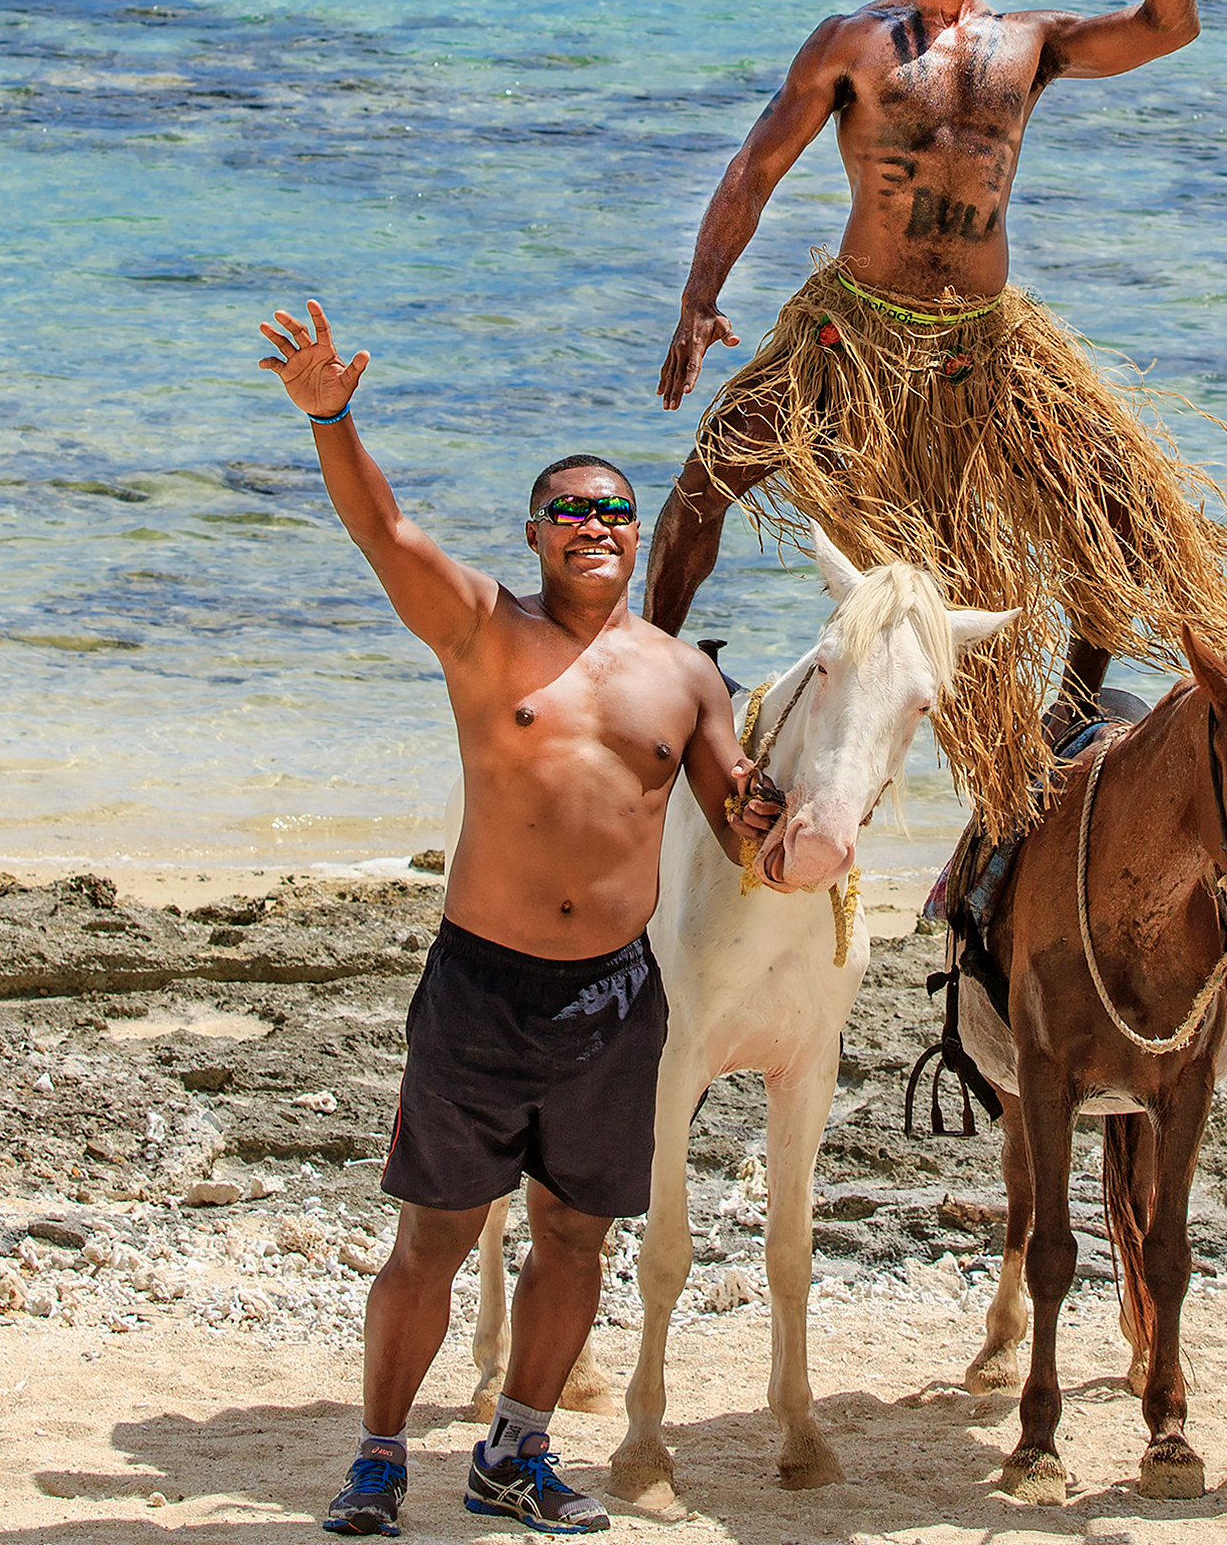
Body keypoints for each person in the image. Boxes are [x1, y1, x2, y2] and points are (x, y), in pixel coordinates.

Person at [644, 0, 1227, 845]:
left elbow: (1171, 27)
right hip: (850, 330)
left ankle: (1069, 717)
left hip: (986, 343)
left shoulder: (1034, 42)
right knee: (704, 486)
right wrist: (701, 296)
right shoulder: (850, 42)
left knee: (1107, 519)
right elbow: (756, 165)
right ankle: (648, 682)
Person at [258, 299, 786, 1538]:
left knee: (575, 1233)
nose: (596, 525)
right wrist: (333, 416)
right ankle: (381, 1455)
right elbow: (383, 530)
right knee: (435, 1233)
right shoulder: (486, 631)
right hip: (483, 984)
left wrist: (798, 821)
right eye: (572, 510)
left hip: (614, 995)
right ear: (537, 534)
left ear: (637, 529)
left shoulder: (685, 672)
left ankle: (517, 1448)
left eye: (615, 509)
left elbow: (736, 817)